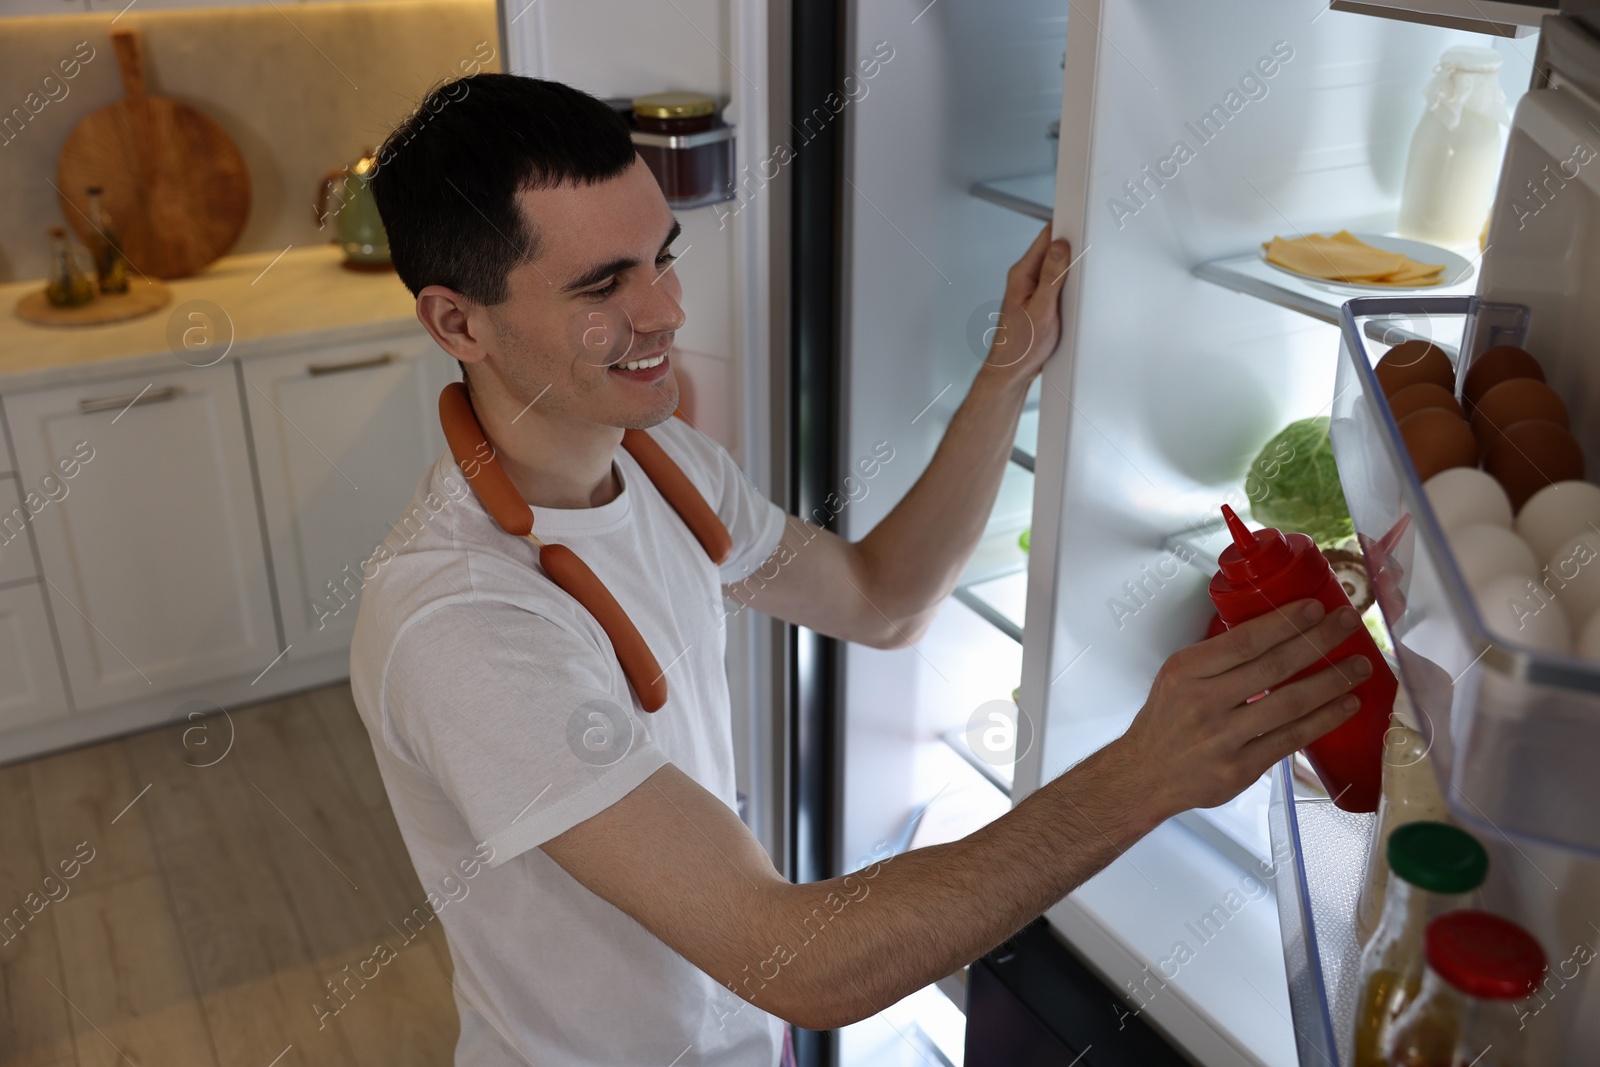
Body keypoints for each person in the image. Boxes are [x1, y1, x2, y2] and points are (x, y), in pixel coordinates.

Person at [353, 73, 1371, 1067]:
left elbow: (886, 600)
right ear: (457, 323)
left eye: (660, 258)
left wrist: (1006, 369)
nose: (665, 311)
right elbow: (794, 957)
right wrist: (1145, 772)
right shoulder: (459, 621)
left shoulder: (664, 471)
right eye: (600, 286)